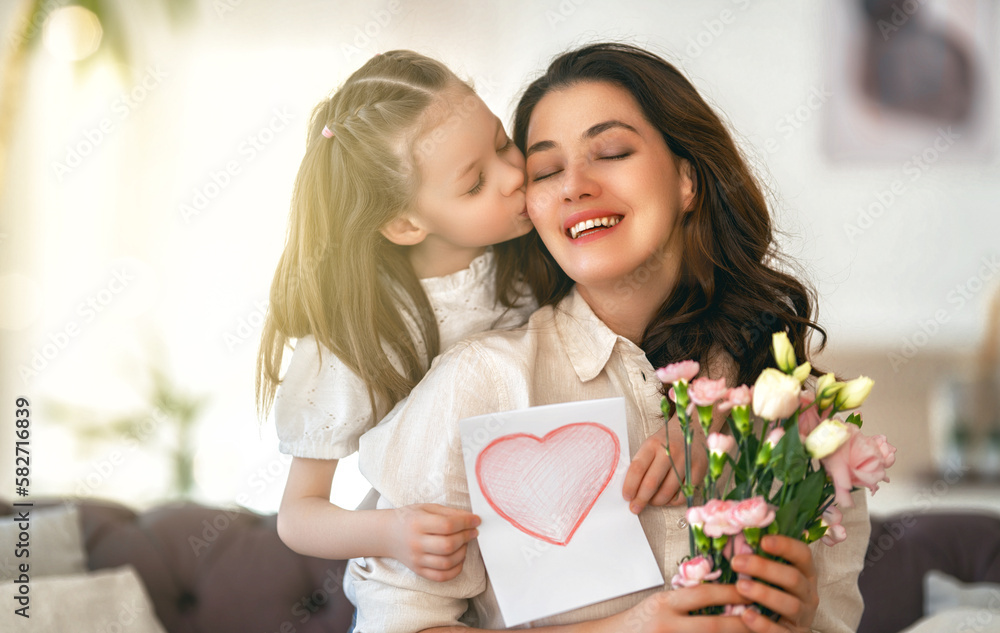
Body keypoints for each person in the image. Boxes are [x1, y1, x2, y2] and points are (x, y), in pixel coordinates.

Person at [351, 43, 869, 633]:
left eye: (613, 151)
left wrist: (797, 620)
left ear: (687, 179)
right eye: (545, 171)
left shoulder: (796, 411)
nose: (574, 185)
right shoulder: (482, 382)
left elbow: (835, 620)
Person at [257, 50, 693, 587]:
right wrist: (390, 532)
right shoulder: (364, 336)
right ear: (405, 224)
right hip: (425, 568)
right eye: (473, 184)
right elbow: (297, 515)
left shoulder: (535, 257)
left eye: (502, 143)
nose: (516, 176)